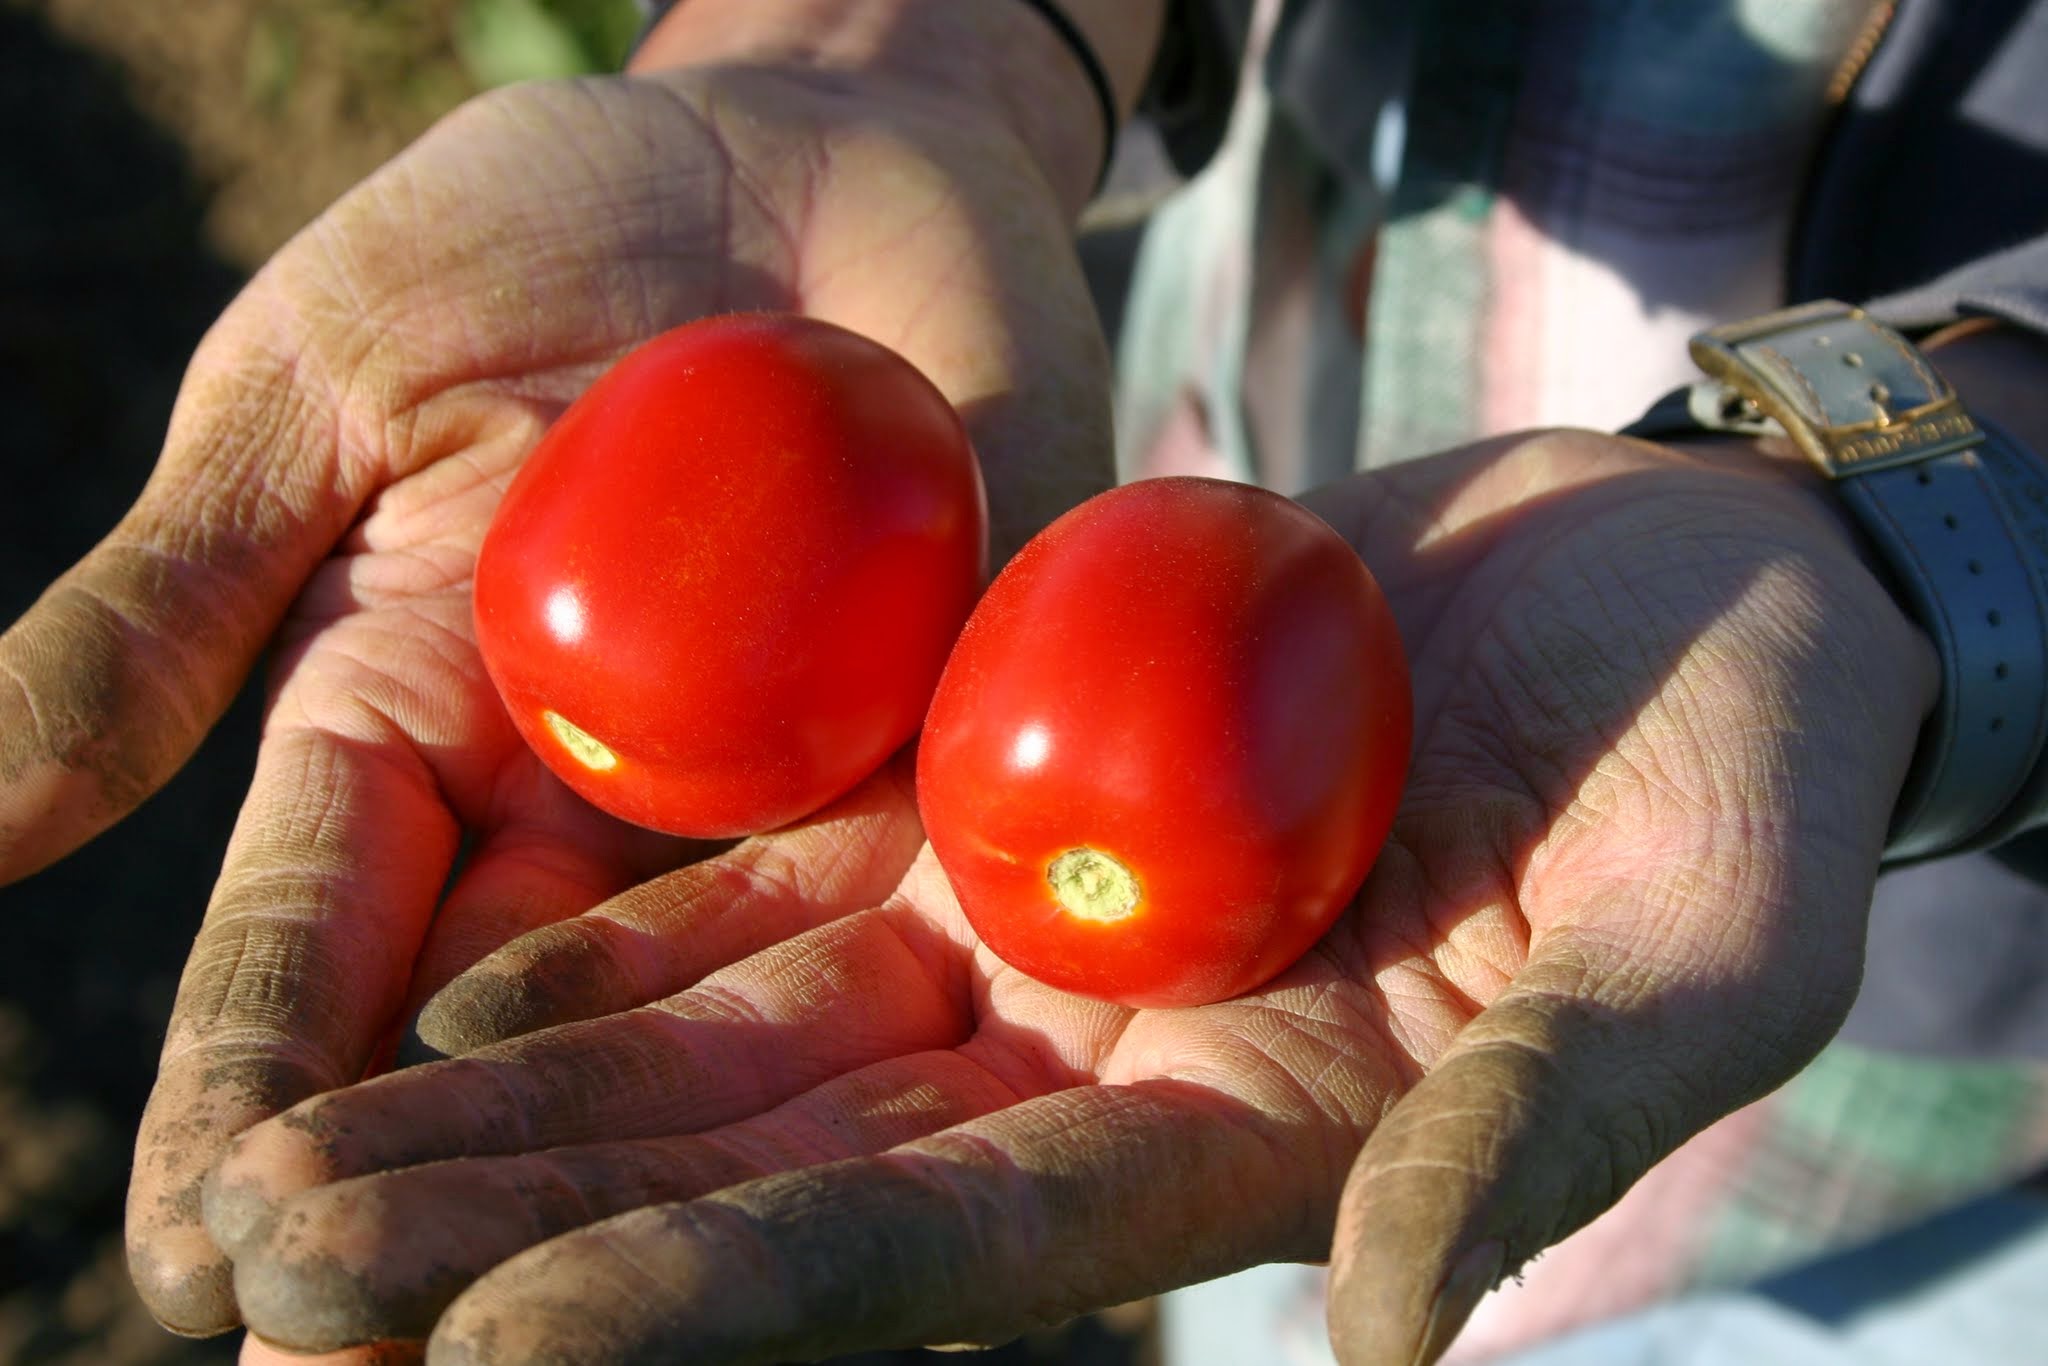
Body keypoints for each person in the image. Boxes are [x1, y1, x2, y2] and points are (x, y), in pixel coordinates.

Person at [0, 3, 2042, 1365]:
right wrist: (878, 50)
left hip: (1933, 1111)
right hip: (1315, 623)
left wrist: (1930, 542)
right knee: (1262, 1241)